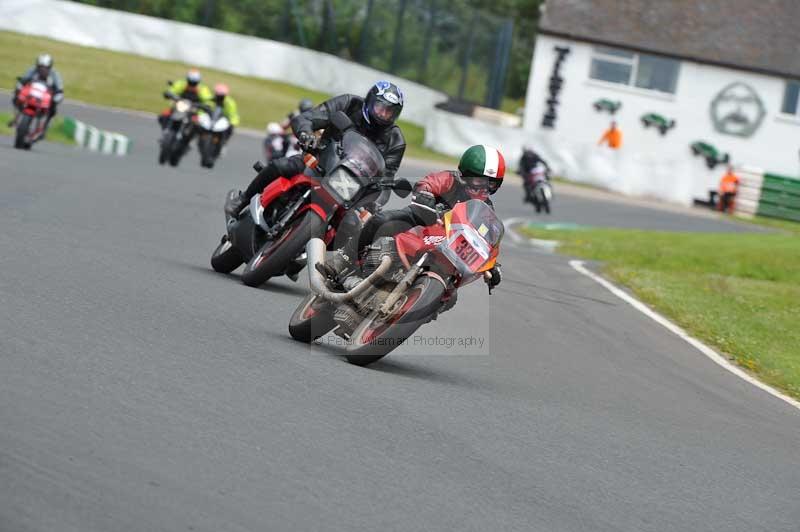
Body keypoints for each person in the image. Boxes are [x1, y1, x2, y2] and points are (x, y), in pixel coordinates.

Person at [225, 80, 407, 216]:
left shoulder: (395, 140)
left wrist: (374, 204)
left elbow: (386, 178)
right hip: (320, 161)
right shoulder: (349, 103)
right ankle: (242, 200)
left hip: (350, 185)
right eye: (380, 108)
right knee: (281, 166)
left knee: (353, 226)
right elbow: (308, 117)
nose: (383, 114)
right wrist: (306, 134)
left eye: (389, 111)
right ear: (370, 101)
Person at [350, 144, 505, 290]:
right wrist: (425, 195)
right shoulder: (449, 180)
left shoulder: (486, 209)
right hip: (422, 221)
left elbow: (486, 240)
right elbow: (427, 184)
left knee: (451, 297)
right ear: (465, 175)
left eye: (491, 184)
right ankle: (347, 260)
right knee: (382, 220)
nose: (484, 188)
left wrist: (492, 265)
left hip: (448, 244)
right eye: (479, 181)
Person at [13, 54, 64, 133]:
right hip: (32, 93)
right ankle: (16, 118)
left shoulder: (55, 74)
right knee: (17, 96)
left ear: (49, 67)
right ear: (37, 66)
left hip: (46, 96)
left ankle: (45, 125)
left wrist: (58, 95)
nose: (42, 69)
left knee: (53, 106)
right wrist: (19, 86)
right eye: (40, 67)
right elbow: (23, 80)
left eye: (45, 68)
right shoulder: (32, 70)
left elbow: (59, 88)